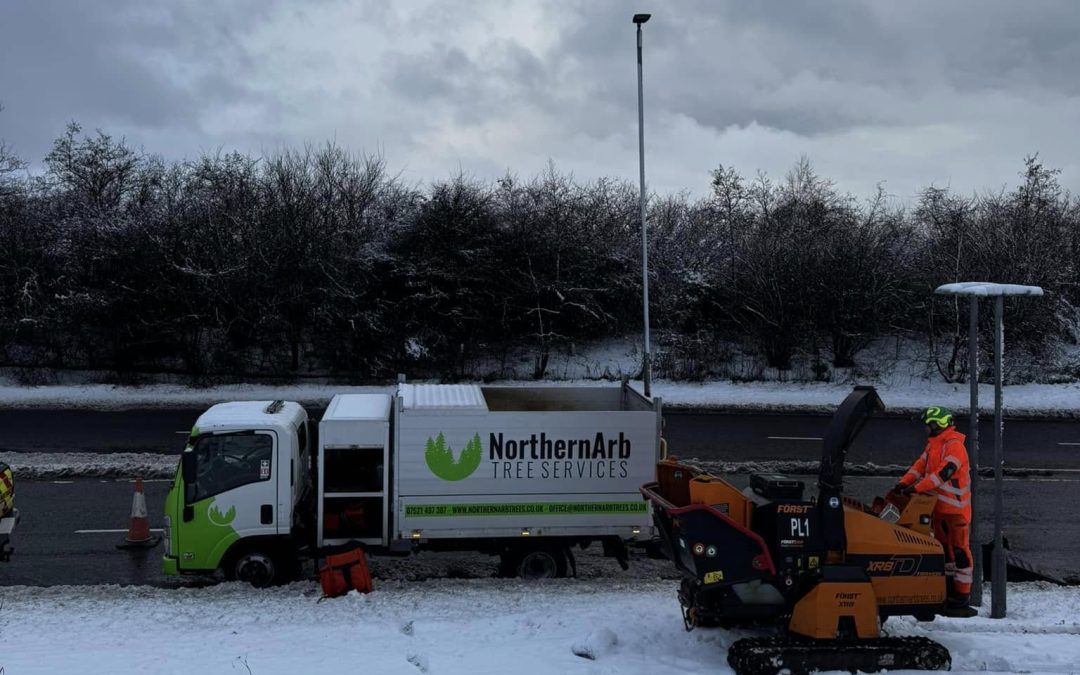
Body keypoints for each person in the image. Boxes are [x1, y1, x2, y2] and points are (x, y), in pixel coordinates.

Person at [894, 406, 975, 616]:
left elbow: (943, 474)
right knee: (944, 551)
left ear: (937, 425)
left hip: (956, 511)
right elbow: (919, 466)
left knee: (960, 552)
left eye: (928, 425)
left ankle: (962, 594)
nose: (925, 429)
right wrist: (903, 483)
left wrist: (916, 487)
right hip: (937, 509)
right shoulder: (933, 446)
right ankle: (948, 588)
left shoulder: (955, 446)